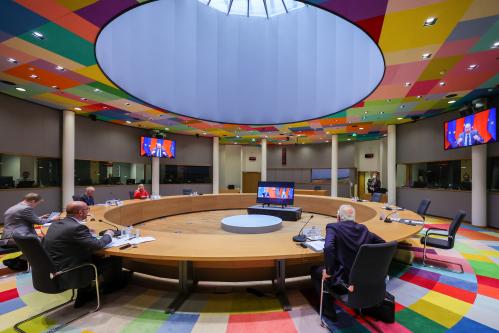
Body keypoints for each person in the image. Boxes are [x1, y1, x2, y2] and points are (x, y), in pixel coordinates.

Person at [43, 201, 129, 308]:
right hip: (71, 270)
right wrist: (108, 234)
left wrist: (86, 234)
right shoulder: (76, 228)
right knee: (114, 258)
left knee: (96, 256)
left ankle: (85, 293)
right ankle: (111, 287)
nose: (88, 212)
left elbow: (69, 239)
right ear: (80, 212)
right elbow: (98, 245)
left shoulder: (56, 224)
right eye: (87, 209)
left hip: (55, 267)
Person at [310, 205, 385, 321]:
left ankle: (328, 310)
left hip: (343, 282)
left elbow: (329, 248)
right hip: (363, 280)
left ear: (338, 217)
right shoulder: (363, 229)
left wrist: (329, 271)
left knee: (315, 270)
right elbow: (382, 243)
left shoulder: (333, 227)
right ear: (354, 218)